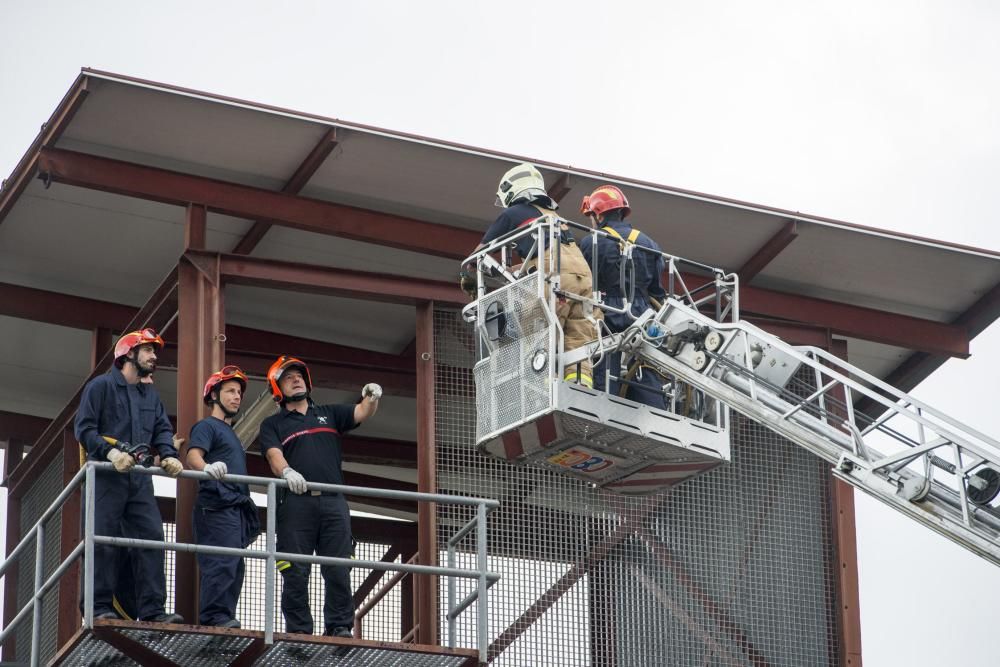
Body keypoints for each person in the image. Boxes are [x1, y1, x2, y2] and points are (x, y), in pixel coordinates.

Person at [258, 355, 382, 638]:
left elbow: (362, 411)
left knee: (338, 568)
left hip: (333, 502)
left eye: (299, 376)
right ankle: (299, 632)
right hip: (296, 504)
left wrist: (372, 397)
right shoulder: (273, 425)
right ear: (277, 389)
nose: (296, 380)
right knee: (294, 571)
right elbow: (273, 454)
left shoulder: (329, 413)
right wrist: (287, 472)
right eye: (289, 378)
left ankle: (339, 627)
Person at [73, 327, 185, 623]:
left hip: (138, 482)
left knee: (152, 539)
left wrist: (169, 455)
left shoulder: (149, 394)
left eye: (154, 351)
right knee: (103, 541)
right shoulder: (100, 387)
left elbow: (161, 428)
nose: (153, 356)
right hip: (106, 478)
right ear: (128, 353)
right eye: (148, 350)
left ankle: (152, 610)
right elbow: (84, 428)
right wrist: (110, 453)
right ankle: (98, 609)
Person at [467, 162, 597, 386]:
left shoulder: (512, 213)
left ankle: (546, 385)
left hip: (554, 277)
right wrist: (510, 272)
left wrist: (467, 276)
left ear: (511, 189)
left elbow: (477, 257)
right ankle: (580, 385)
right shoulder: (554, 217)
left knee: (540, 330)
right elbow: (549, 257)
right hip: (583, 278)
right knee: (578, 337)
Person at [578, 185, 669, 409]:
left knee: (604, 361)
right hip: (642, 313)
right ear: (621, 211)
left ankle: (602, 407)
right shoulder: (649, 244)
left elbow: (584, 282)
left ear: (598, 214)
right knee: (643, 363)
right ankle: (653, 409)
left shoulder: (592, 242)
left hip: (605, 309)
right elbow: (657, 289)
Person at [186, 365, 260, 629]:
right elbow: (193, 455)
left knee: (234, 566)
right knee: (221, 562)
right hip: (217, 507)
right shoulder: (207, 426)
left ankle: (223, 617)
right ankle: (215, 619)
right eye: (230, 391)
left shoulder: (230, 434)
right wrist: (205, 467)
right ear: (214, 396)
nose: (237, 396)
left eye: (239, 392)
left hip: (234, 508)